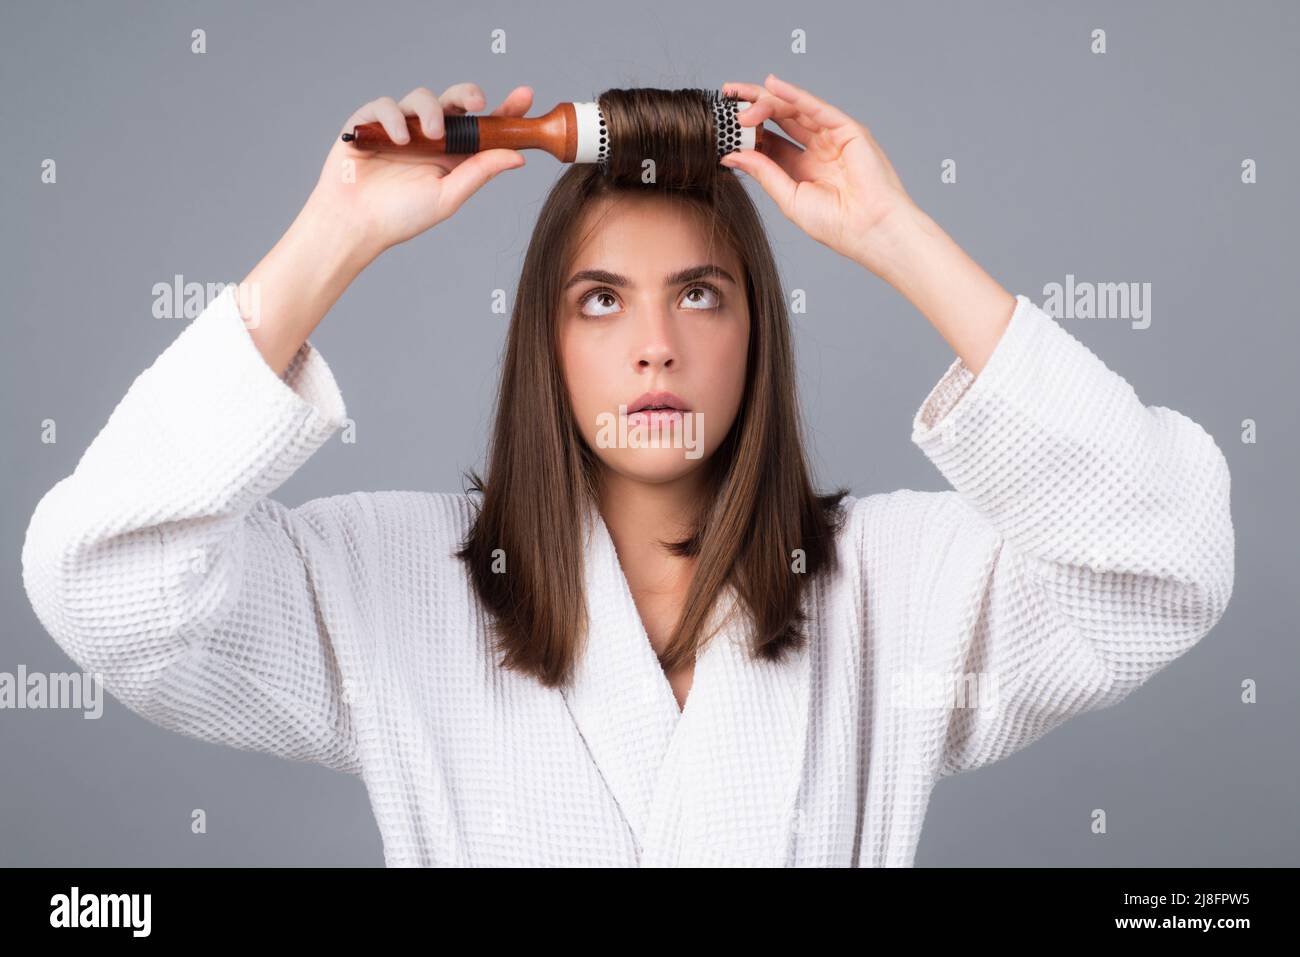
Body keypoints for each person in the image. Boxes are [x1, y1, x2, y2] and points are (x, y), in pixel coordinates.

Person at [20, 75, 1235, 866]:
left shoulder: (893, 587)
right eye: (600, 301)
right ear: (542, 342)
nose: (655, 344)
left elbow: (1163, 559)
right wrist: (330, 236)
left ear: (755, 327)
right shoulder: (395, 583)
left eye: (699, 295)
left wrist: (893, 238)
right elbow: (107, 584)